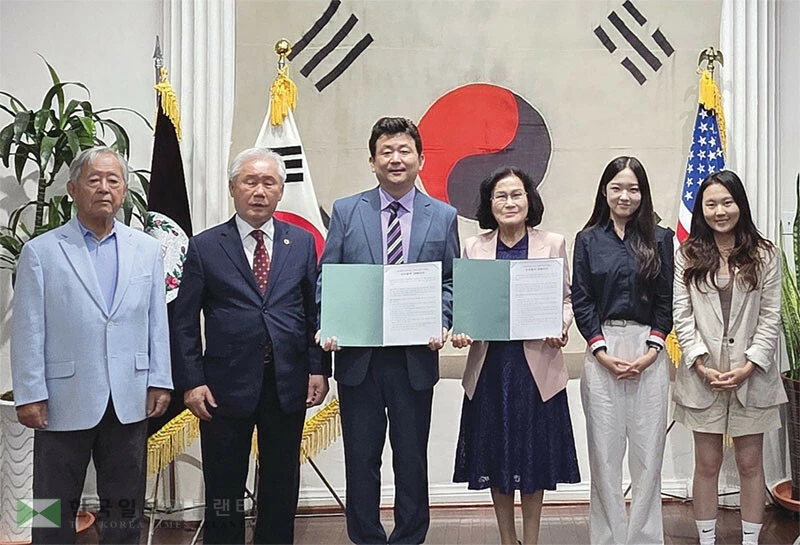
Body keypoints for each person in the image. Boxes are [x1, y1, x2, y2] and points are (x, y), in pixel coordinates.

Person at [10, 146, 173, 544]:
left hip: (129, 396)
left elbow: (156, 320)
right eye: (94, 180)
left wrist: (160, 380)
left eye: (113, 180)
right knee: (49, 505)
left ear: (124, 191)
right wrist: (29, 393)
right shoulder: (41, 251)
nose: (104, 188)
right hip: (60, 398)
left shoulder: (147, 250)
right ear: (72, 189)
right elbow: (28, 328)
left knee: (124, 507)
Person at [172, 148, 329, 544]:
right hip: (223, 387)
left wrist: (318, 368)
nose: (259, 191)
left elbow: (314, 312)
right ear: (232, 188)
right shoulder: (205, 246)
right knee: (224, 488)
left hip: (287, 383)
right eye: (250, 182)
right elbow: (185, 322)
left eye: (269, 183)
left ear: (280, 191)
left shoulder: (301, 242)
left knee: (281, 483)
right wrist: (192, 381)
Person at [319, 117, 459, 544]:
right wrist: (331, 320)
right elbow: (329, 276)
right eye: (386, 151)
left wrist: (442, 320)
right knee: (361, 459)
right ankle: (366, 538)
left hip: (414, 358)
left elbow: (451, 281)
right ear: (372, 161)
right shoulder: (347, 210)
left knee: (411, 459)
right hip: (359, 358)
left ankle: (409, 538)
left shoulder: (444, 216)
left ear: (420, 159)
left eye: (404, 151)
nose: (395, 159)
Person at [450, 167, 580, 545]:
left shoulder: (553, 243)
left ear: (529, 200)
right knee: (498, 458)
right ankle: (508, 539)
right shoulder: (473, 247)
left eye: (516, 194)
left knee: (533, 459)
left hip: (537, 367)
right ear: (489, 204)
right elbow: (466, 304)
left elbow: (567, 299)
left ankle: (532, 539)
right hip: (490, 368)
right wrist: (462, 328)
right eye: (501, 196)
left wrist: (560, 325)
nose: (509, 202)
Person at [672, 170, 786, 545]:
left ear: (740, 205)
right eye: (711, 204)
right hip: (703, 374)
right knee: (707, 464)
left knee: (750, 464)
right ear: (701, 210)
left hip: (752, 375)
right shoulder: (687, 255)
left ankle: (750, 541)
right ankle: (707, 540)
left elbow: (770, 316)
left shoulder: (765, 254)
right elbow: (682, 315)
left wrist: (750, 365)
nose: (720, 211)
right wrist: (700, 363)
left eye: (727, 202)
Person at [572, 156, 674, 545]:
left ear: (643, 193)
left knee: (649, 455)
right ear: (605, 191)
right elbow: (582, 299)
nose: (624, 196)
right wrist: (601, 351)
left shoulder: (660, 238)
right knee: (604, 455)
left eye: (633, 188)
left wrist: (652, 350)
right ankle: (608, 538)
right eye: (617, 188)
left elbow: (666, 300)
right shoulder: (588, 239)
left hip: (649, 349)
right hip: (603, 349)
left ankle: (645, 538)